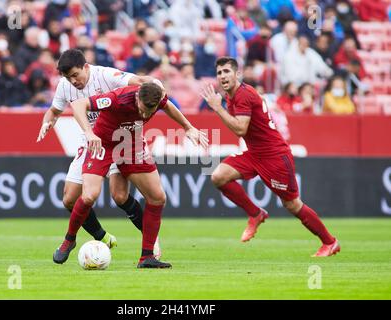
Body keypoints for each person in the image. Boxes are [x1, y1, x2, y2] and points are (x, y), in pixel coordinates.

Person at [201, 56, 340, 257]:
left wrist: (217, 108)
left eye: (226, 71)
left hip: (274, 155)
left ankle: (330, 242)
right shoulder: (232, 95)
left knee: (292, 204)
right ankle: (255, 213)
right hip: (254, 153)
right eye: (219, 73)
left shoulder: (243, 95)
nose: (222, 76)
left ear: (237, 74)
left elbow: (240, 129)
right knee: (218, 176)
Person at [36, 49, 162, 262]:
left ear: (86, 67)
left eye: (75, 75)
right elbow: (54, 111)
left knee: (119, 196)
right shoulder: (65, 86)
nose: (73, 81)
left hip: (119, 141)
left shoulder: (105, 75)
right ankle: (101, 237)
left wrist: (156, 83)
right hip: (92, 143)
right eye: (68, 77)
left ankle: (152, 240)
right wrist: (47, 121)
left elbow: (140, 81)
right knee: (69, 199)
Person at [64, 82, 208, 268]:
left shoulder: (157, 98)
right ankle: (69, 239)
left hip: (130, 144)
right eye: (143, 109)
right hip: (104, 142)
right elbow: (78, 105)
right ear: (137, 97)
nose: (146, 115)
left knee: (157, 197)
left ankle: (147, 257)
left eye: (151, 111)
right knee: (90, 195)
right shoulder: (118, 98)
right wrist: (89, 133)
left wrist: (188, 127)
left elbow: (169, 106)